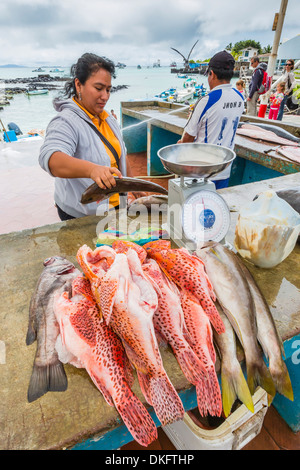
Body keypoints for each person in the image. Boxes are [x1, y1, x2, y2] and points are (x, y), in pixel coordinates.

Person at [39, 53, 139, 220]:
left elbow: (121, 155)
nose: (105, 96)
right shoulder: (66, 121)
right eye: (99, 88)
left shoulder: (108, 119)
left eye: (108, 89)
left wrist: (134, 186)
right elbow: (51, 159)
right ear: (79, 84)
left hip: (116, 209)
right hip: (82, 216)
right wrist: (92, 170)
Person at [178, 50, 244, 189]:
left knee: (197, 206)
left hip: (202, 172)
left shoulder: (207, 100)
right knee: (214, 206)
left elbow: (188, 138)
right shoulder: (240, 98)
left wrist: (181, 144)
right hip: (224, 169)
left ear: (212, 74)